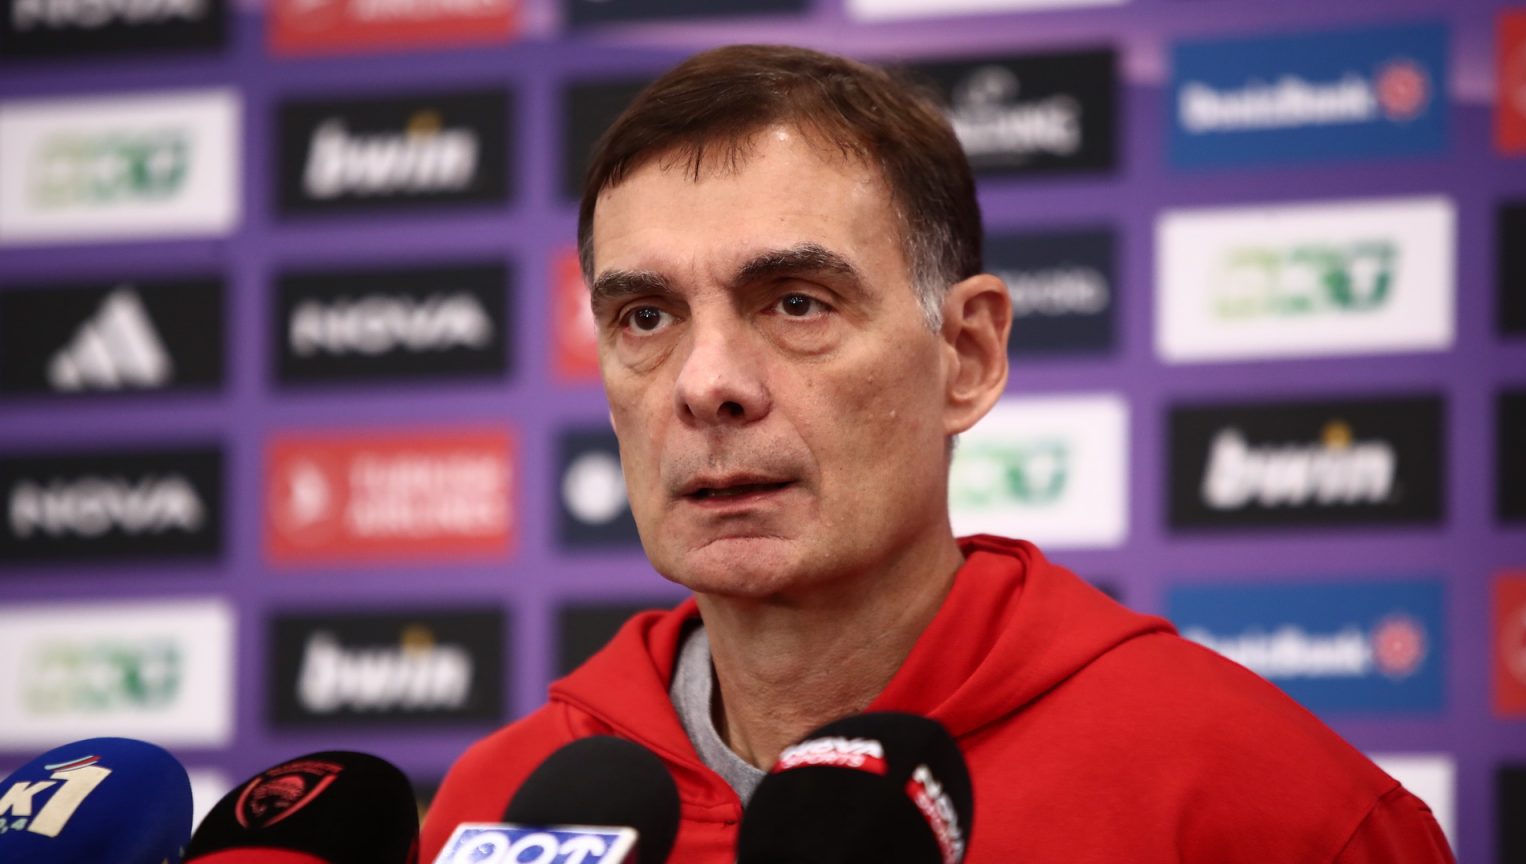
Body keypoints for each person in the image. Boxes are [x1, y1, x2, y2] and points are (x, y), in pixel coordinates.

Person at [421, 45, 1454, 862]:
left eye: (796, 303)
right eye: (646, 317)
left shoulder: (1262, 803)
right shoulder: (500, 805)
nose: (706, 383)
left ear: (967, 356)